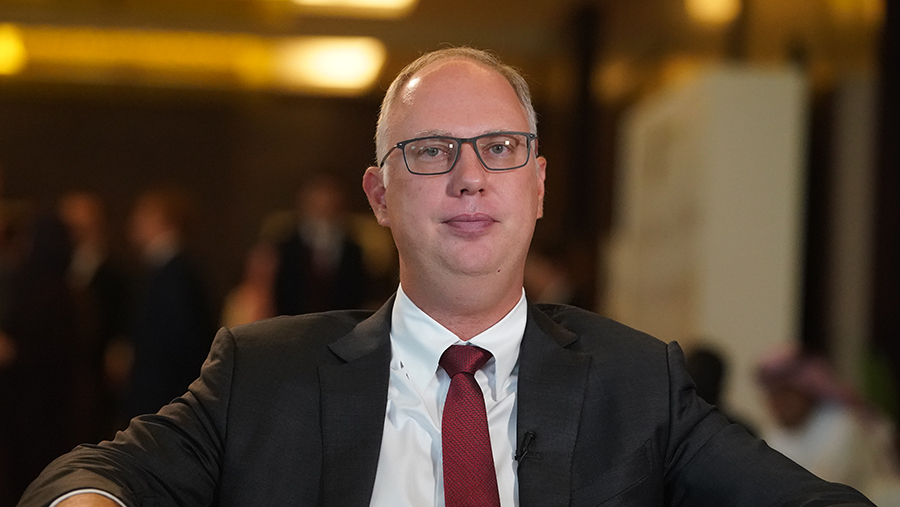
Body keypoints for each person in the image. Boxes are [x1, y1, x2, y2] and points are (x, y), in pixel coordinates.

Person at [18, 47, 874, 507]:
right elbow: (87, 476)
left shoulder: (636, 382)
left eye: (500, 148)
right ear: (379, 196)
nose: (470, 178)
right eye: (431, 151)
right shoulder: (264, 374)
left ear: (538, 186)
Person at [123, 186, 213, 419]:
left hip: (163, 400)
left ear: (166, 221)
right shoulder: (166, 270)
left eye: (144, 214)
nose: (134, 222)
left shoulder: (174, 274)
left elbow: (178, 342)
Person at [274, 173, 370, 315]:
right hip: (291, 321)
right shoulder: (283, 247)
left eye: (331, 200)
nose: (325, 204)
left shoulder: (354, 250)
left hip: (342, 323)